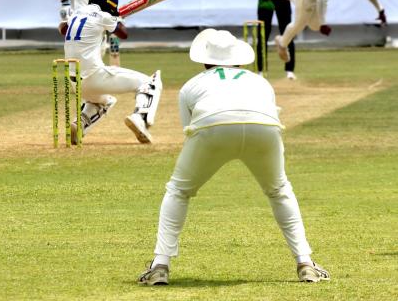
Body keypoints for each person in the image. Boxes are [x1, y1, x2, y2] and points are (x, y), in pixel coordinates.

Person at [138, 28, 330, 285]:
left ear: (205, 60)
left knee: (178, 191)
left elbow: (189, 130)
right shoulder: (260, 81)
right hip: (264, 128)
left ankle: (160, 265)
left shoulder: (192, 85)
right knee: (279, 190)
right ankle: (305, 263)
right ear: (238, 59)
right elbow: (271, 114)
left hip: (210, 128)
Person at [58, 0, 162, 145]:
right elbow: (123, 34)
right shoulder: (103, 16)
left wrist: (112, 18)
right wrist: (118, 19)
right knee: (150, 82)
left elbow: (62, 29)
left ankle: (80, 124)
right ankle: (140, 118)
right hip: (94, 76)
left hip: (74, 83)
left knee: (105, 101)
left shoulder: (77, 12)